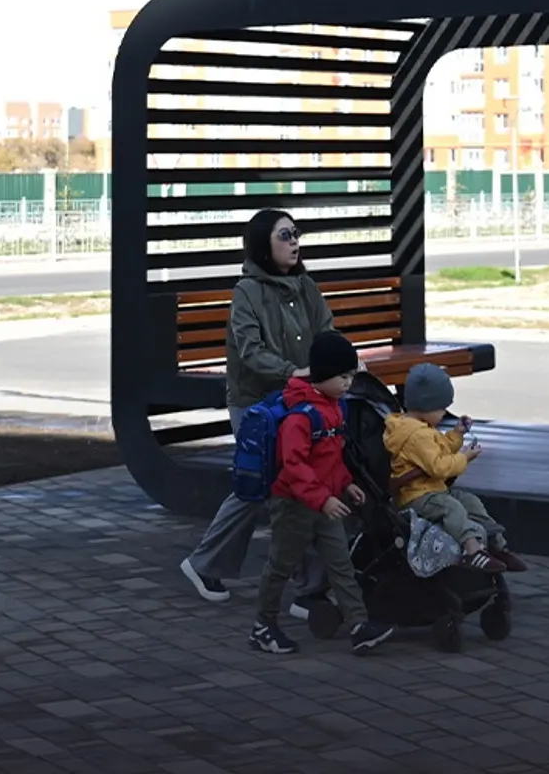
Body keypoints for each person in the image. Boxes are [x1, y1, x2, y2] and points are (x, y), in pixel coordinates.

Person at [179, 209, 332, 607]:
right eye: (285, 235)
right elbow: (250, 352)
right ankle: (213, 564)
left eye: (297, 233)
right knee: (260, 484)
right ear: (264, 243)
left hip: (299, 400)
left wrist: (340, 362)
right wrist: (292, 371)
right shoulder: (247, 292)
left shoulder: (305, 285)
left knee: (298, 484)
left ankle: (309, 588)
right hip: (256, 406)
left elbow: (327, 333)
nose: (295, 241)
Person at [249, 331, 396, 655]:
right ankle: (263, 625)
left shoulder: (334, 408)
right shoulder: (300, 416)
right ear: (322, 374)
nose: (348, 383)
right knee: (281, 565)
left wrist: (345, 484)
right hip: (293, 505)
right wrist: (323, 498)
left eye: (351, 376)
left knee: (341, 563)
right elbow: (294, 467)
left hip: (325, 502)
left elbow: (332, 457)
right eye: (342, 377)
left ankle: (358, 625)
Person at [383, 362, 526, 573]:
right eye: (442, 408)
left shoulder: (421, 429)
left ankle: (496, 544)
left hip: (432, 491)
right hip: (416, 496)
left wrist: (457, 434)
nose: (444, 413)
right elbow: (439, 467)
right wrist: (464, 458)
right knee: (452, 508)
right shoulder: (416, 436)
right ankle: (472, 550)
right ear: (426, 406)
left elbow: (439, 449)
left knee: (471, 502)